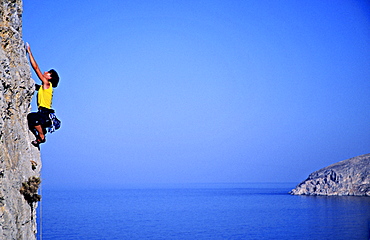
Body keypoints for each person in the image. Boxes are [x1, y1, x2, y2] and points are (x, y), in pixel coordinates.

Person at [26, 43, 59, 147]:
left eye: (48, 73)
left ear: (49, 78)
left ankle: (41, 136)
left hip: (45, 114)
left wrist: (29, 53)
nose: (45, 72)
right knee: (32, 120)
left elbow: (36, 68)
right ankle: (41, 132)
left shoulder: (47, 84)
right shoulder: (42, 87)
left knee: (31, 117)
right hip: (43, 113)